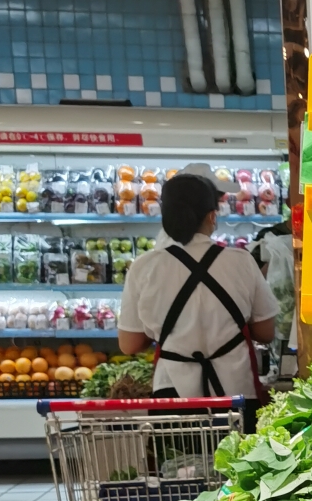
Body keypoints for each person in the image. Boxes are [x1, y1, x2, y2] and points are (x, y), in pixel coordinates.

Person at [118, 166, 278, 407]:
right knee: (240, 447)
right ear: (212, 216)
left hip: (172, 394)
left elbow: (129, 344)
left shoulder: (144, 267)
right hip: (235, 392)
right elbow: (266, 332)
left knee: (177, 447)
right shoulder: (241, 261)